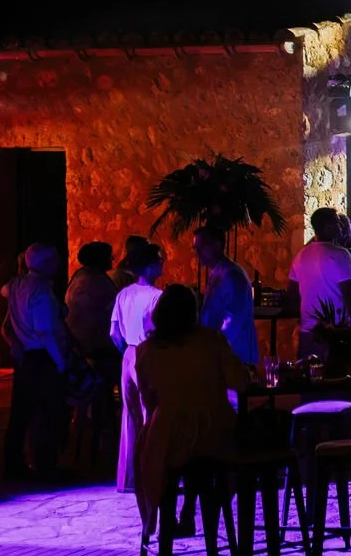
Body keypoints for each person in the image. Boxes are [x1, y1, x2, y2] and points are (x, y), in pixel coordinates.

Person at [128, 285, 243, 532]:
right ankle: (191, 508)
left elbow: (148, 400)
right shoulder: (211, 341)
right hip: (213, 430)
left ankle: (161, 514)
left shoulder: (147, 350)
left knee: (165, 443)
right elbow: (240, 381)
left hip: (170, 434)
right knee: (202, 448)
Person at [3, 244, 77, 481]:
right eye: (54, 260)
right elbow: (45, 332)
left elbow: (7, 301)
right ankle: (46, 466)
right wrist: (60, 362)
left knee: (21, 412)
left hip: (26, 356)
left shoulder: (16, 285)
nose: (58, 264)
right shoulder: (42, 292)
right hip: (43, 356)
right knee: (49, 411)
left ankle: (13, 463)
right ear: (45, 264)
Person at [110, 241, 166, 491]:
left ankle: (129, 478)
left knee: (129, 417)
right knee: (150, 416)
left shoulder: (123, 294)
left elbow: (113, 332)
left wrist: (127, 352)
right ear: (149, 266)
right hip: (147, 354)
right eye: (159, 260)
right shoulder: (157, 297)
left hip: (128, 355)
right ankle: (150, 475)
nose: (162, 263)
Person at [287, 208, 351, 354]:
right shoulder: (341, 254)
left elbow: (292, 293)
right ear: (328, 227)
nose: (341, 227)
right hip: (337, 331)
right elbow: (349, 295)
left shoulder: (301, 255)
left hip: (308, 331)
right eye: (338, 223)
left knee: (307, 374)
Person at [193, 226, 259, 366]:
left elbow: (233, 320)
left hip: (234, 357)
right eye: (195, 248)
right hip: (222, 354)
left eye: (202, 247)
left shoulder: (232, 276)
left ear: (217, 245)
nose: (197, 252)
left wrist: (214, 349)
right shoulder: (217, 272)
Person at [65, 242, 119, 361]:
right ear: (100, 259)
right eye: (109, 256)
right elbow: (115, 309)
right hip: (93, 345)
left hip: (79, 342)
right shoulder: (96, 281)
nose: (112, 258)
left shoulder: (80, 275)